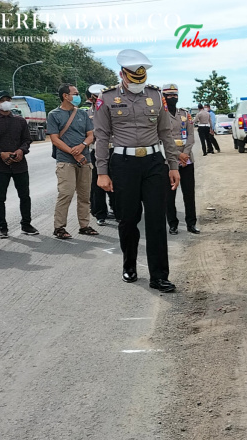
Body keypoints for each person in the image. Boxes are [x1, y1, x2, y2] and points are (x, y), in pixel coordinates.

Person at [93, 49, 180, 293]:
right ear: (122, 74)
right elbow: (101, 136)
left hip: (153, 162)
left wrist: (172, 165)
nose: (136, 85)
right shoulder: (107, 98)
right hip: (123, 164)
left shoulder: (155, 95)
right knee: (128, 219)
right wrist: (102, 171)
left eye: (140, 81)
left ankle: (159, 275)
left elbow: (166, 132)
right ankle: (129, 265)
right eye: (132, 80)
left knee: (155, 219)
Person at [0, 90, 38, 238]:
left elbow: (27, 140)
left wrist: (21, 151)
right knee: (0, 197)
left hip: (20, 165)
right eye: (2, 100)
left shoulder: (20, 121)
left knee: (25, 196)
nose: (6, 102)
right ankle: (2, 227)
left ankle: (26, 224)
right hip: (0, 166)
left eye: (8, 99)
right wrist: (0, 153)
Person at [47, 83, 99, 239]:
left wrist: (82, 145)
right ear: (65, 96)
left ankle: (84, 225)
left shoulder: (83, 114)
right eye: (75, 94)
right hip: (65, 161)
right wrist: (72, 152)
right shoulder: (54, 115)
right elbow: (55, 139)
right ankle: (59, 227)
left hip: (85, 160)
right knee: (66, 193)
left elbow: (90, 135)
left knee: (85, 195)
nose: (77, 97)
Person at [163, 83, 200, 235]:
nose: (173, 98)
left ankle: (191, 224)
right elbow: (162, 138)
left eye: (175, 95)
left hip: (187, 160)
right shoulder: (161, 114)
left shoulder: (185, 114)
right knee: (169, 196)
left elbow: (191, 135)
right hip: (169, 161)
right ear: (163, 97)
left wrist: (185, 153)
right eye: (169, 95)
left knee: (189, 194)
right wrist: (178, 155)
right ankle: (173, 224)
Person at [86, 83, 115, 226]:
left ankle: (117, 209)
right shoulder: (87, 114)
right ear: (91, 99)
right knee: (98, 183)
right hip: (96, 150)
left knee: (116, 181)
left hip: (114, 149)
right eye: (95, 98)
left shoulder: (113, 109)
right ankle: (100, 213)